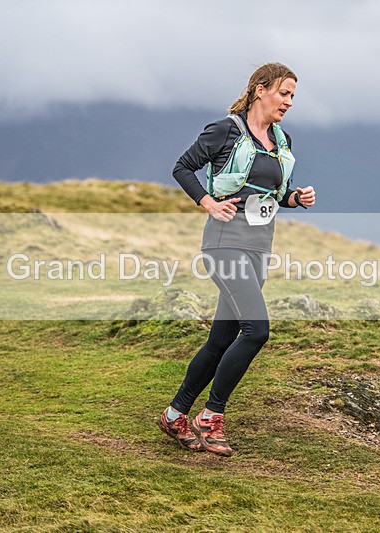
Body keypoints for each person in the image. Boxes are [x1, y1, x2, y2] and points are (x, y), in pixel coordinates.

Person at [157, 62, 316, 457]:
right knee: (257, 330)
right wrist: (208, 202)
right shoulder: (225, 130)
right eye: (284, 93)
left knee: (221, 340)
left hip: (260, 247)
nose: (289, 102)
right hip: (225, 243)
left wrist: (295, 198)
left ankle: (175, 414)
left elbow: (273, 193)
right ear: (260, 89)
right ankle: (211, 416)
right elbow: (182, 167)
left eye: (292, 96)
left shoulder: (282, 139)